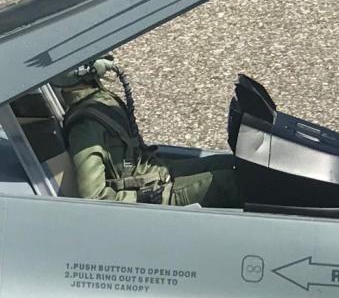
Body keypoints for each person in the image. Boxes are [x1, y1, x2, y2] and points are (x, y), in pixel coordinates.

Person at [55, 57, 242, 207]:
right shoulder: (85, 125)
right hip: (149, 193)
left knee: (237, 164)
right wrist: (142, 199)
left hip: (152, 172)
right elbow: (93, 196)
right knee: (232, 182)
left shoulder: (99, 98)